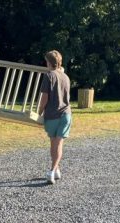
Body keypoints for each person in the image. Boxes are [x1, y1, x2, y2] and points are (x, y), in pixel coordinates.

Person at [37, 50, 72, 184]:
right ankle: (56, 170)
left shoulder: (49, 76)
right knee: (56, 143)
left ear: (49, 62)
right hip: (66, 114)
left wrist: (39, 112)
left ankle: (51, 172)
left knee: (55, 144)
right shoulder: (66, 77)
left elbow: (44, 98)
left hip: (52, 115)